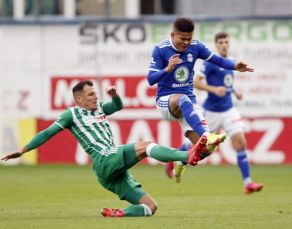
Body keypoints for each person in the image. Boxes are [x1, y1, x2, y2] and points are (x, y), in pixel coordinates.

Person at [1, 80, 208, 218]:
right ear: (79, 99)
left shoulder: (99, 108)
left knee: (150, 207)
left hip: (110, 174)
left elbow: (117, 106)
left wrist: (115, 96)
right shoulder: (71, 114)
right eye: (91, 95)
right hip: (103, 160)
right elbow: (47, 133)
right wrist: (23, 150)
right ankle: (188, 155)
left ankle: (119, 214)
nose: (96, 97)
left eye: (96, 93)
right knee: (145, 145)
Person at [147, 18, 254, 168]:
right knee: (183, 99)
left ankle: (179, 161)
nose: (185, 43)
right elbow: (151, 79)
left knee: (207, 150)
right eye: (182, 39)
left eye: (188, 39)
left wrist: (235, 66)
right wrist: (167, 69)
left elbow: (218, 60)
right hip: (166, 102)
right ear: (172, 35)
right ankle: (207, 136)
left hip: (188, 102)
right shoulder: (160, 49)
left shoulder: (196, 47)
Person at [167, 32, 263, 194]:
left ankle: (248, 183)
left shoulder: (231, 63)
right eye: (221, 42)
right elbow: (196, 83)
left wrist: (234, 91)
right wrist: (213, 89)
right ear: (216, 45)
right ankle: (175, 158)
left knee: (241, 142)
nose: (224, 45)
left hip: (229, 110)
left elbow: (226, 84)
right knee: (198, 145)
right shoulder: (210, 63)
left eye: (226, 42)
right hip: (211, 112)